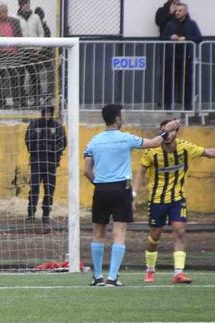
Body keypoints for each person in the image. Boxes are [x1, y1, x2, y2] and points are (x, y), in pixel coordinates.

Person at [83, 104, 180, 287]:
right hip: (121, 189)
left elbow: (87, 171)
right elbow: (153, 143)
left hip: (101, 189)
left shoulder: (93, 141)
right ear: (118, 118)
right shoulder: (126, 138)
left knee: (98, 232)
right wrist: (165, 131)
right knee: (119, 232)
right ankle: (112, 277)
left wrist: (99, 183)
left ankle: (97, 277)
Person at [132, 120, 215, 284]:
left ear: (178, 132)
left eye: (171, 132)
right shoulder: (152, 151)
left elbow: (209, 152)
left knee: (180, 232)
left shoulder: (185, 147)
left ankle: (178, 273)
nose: (168, 135)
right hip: (157, 200)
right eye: (165, 131)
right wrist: (133, 194)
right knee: (155, 236)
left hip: (177, 199)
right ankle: (150, 270)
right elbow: (141, 171)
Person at [25, 106, 66, 226]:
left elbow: (63, 143)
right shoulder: (34, 124)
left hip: (51, 163)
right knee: (34, 189)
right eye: (46, 112)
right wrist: (35, 148)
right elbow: (27, 140)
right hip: (36, 162)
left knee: (49, 189)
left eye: (50, 112)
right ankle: (31, 213)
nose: (47, 114)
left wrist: (54, 151)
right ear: (42, 113)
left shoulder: (57, 126)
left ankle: (46, 214)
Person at [162, 3, 202, 111]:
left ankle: (187, 105)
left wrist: (186, 38)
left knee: (187, 81)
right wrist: (170, 37)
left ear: (185, 12)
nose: (177, 12)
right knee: (169, 81)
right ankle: (168, 105)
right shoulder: (170, 24)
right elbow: (163, 37)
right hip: (172, 57)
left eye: (180, 11)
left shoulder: (192, 24)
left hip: (187, 56)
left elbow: (199, 38)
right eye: (176, 11)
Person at [0, 2, 23, 109]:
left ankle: (17, 101)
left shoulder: (15, 22)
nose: (5, 13)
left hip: (13, 54)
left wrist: (20, 52)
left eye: (6, 11)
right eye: (2, 11)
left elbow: (20, 37)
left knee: (15, 78)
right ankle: (0, 102)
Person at [17, 0, 44, 107]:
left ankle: (37, 99)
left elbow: (41, 33)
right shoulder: (16, 18)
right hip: (21, 51)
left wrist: (39, 48)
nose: (27, 5)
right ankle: (22, 100)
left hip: (33, 51)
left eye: (28, 3)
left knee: (35, 75)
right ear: (20, 5)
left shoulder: (36, 17)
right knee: (20, 77)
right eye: (24, 3)